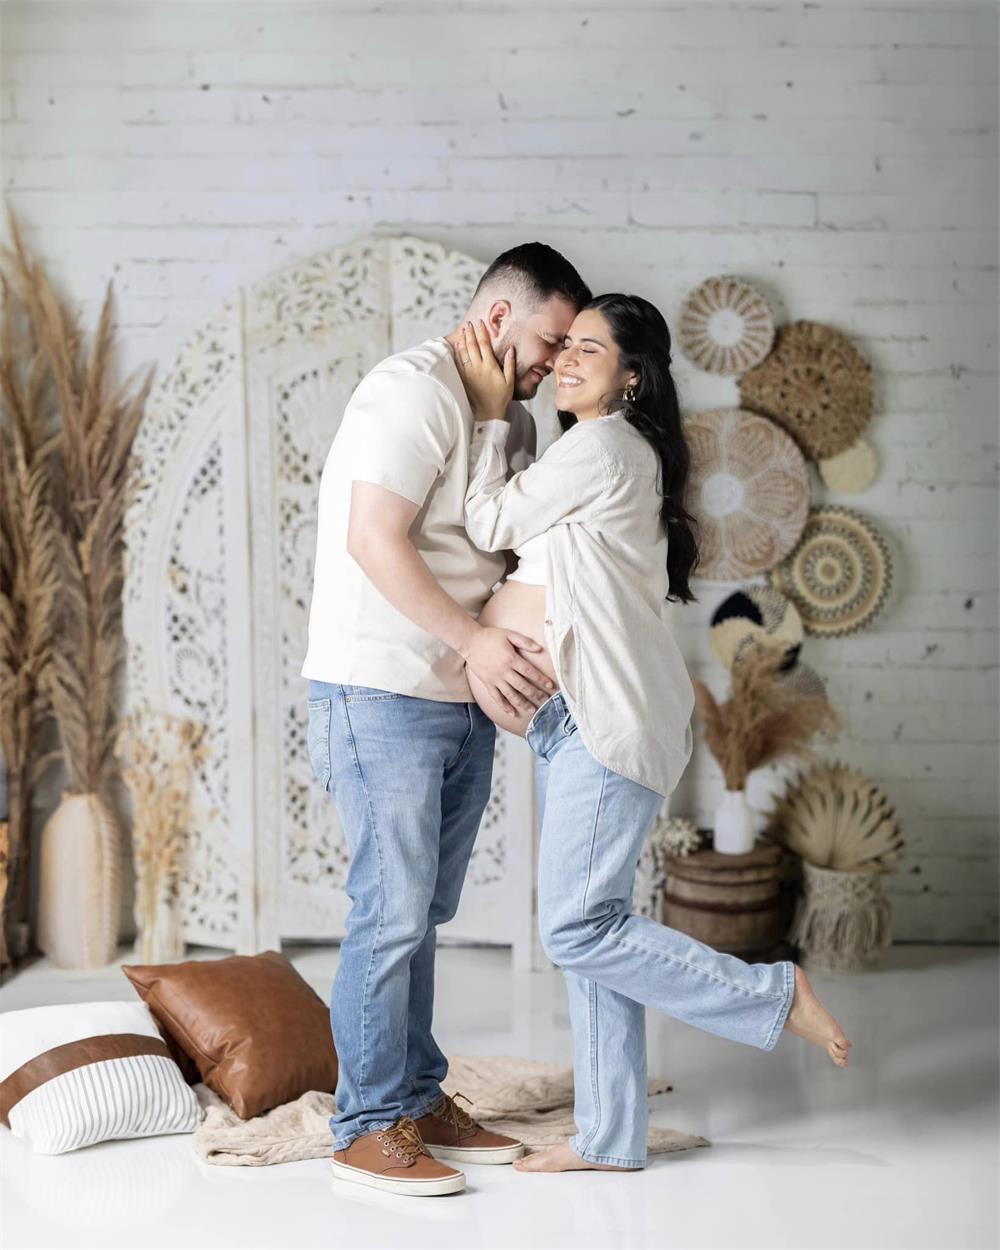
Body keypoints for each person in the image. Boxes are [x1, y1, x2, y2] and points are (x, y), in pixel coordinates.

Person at [455, 298, 853, 1176]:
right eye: (564, 346)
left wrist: (490, 416)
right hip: (579, 724)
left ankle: (770, 994)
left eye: (588, 349)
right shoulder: (600, 452)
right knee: (597, 929)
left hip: (605, 724)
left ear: (632, 375)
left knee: (576, 928)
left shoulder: (601, 446)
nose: (565, 359)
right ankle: (609, 1136)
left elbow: (487, 523)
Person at [301, 243, 593, 1197]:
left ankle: (418, 1096)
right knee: (390, 912)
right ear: (500, 318)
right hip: (380, 690)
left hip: (458, 694)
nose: (557, 361)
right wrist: (475, 642)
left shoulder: (504, 419)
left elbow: (494, 543)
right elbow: (371, 538)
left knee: (424, 912)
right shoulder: (412, 390)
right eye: (552, 339)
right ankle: (366, 1125)